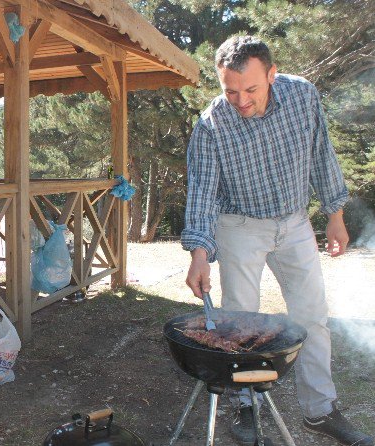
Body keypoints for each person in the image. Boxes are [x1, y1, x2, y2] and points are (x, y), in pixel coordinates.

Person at [181, 36, 373, 446]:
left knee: (312, 318)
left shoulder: (302, 95)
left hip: (295, 222)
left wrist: (335, 216)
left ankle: (320, 411)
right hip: (240, 225)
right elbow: (202, 191)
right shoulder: (212, 123)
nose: (241, 100)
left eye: (250, 89)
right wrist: (200, 253)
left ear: (271, 74)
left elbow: (322, 154)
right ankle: (244, 405)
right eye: (230, 90)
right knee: (238, 322)